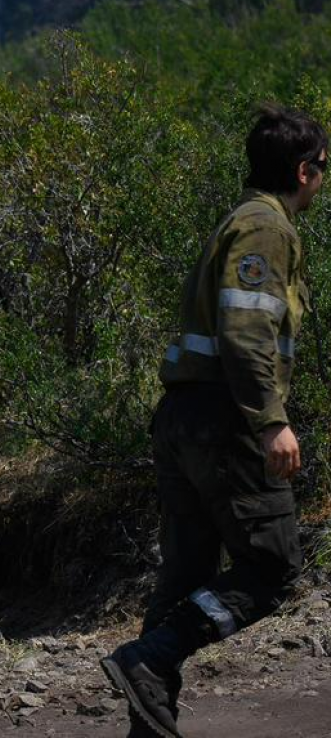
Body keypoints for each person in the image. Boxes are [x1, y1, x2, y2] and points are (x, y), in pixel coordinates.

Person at [103, 105, 326, 738]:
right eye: (324, 169)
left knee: (185, 576)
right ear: (306, 170)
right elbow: (247, 330)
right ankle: (151, 659)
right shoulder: (265, 228)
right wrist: (271, 421)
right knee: (272, 567)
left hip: (187, 418)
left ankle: (150, 723)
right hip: (224, 421)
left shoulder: (241, 220)